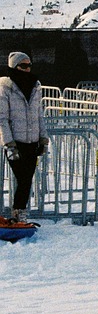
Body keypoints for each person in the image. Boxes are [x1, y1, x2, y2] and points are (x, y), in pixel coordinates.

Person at [0, 52, 49, 221]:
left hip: (32, 140)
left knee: (27, 179)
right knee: (23, 178)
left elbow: (39, 115)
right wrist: (9, 143)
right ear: (14, 67)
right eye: (23, 66)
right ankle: (18, 211)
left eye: (29, 65)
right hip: (15, 141)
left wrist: (43, 138)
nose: (27, 69)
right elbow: (2, 118)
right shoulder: (6, 88)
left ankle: (19, 212)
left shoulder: (35, 87)